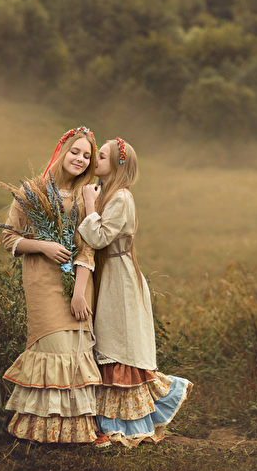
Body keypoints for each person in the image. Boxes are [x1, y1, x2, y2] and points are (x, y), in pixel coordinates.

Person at [79, 137, 193, 447]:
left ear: (117, 165)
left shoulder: (121, 197)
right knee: (109, 342)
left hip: (120, 280)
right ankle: (108, 422)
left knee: (119, 345)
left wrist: (89, 206)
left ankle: (126, 424)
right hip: (109, 275)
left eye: (102, 156)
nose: (96, 159)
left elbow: (99, 238)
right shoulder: (105, 193)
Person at [0, 127, 107, 445]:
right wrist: (43, 247)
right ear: (62, 152)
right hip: (42, 283)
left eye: (87, 156)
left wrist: (79, 293)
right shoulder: (32, 191)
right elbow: (9, 238)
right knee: (53, 348)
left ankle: (75, 432)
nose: (80, 159)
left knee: (75, 351)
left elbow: (88, 247)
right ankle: (42, 430)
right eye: (75, 151)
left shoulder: (87, 196)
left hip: (78, 286)